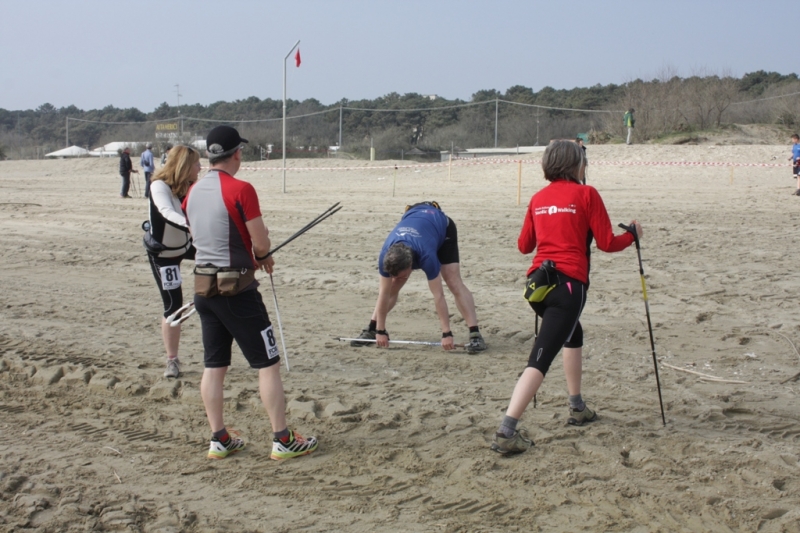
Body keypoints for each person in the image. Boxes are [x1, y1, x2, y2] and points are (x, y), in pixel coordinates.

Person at [491, 140, 642, 455]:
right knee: (540, 359)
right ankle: (507, 431)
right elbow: (607, 243)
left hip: (539, 287)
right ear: (577, 165)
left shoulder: (537, 198)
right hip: (568, 288)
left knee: (573, 334)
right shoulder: (587, 194)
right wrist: (633, 236)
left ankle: (577, 407)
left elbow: (523, 246)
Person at [183, 125, 318, 461]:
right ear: (237, 153)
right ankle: (282, 439)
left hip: (204, 289)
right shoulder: (242, 189)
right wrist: (262, 253)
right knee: (268, 364)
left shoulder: (192, 192)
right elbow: (260, 243)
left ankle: (219, 437)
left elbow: (207, 238)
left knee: (214, 366)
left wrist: (252, 252)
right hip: (238, 292)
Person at [350, 201, 487, 354]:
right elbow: (384, 293)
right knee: (393, 285)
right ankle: (372, 328)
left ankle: (475, 334)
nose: (402, 278)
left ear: (411, 265)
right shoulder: (385, 256)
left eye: (404, 275)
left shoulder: (426, 257)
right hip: (416, 220)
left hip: (442, 227)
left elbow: (438, 296)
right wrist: (380, 330)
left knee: (452, 281)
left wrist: (446, 333)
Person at [145, 145, 200, 378]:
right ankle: (172, 360)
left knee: (223, 260)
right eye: (196, 164)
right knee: (173, 308)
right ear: (184, 166)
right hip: (165, 256)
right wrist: (192, 226)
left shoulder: (189, 186)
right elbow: (166, 212)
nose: (200, 168)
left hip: (186, 247)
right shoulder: (159, 186)